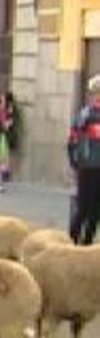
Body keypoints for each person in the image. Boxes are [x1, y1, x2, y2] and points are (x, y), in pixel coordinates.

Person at [67, 74, 100, 245]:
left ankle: (86, 241)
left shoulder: (86, 114)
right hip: (89, 165)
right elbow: (74, 139)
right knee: (84, 207)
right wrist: (75, 162)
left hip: (92, 165)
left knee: (95, 209)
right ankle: (72, 239)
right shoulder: (87, 114)